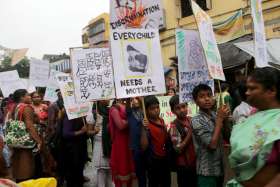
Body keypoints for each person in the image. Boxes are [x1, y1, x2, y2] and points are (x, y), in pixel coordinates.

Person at [227, 67, 280, 187]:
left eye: (252, 88)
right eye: (247, 88)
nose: (247, 93)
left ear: (271, 90)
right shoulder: (251, 117)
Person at [191, 84, 230, 187]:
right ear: (196, 101)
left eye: (209, 95)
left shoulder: (215, 114)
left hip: (220, 169)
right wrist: (219, 120)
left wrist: (225, 120)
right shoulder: (196, 120)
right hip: (206, 172)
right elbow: (212, 145)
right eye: (202, 96)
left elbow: (228, 137)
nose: (207, 99)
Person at [10, 89, 42, 182]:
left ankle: (20, 182)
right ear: (22, 97)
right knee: (27, 163)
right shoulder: (26, 107)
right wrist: (38, 141)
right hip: (26, 141)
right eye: (28, 95)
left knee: (18, 162)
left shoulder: (14, 107)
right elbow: (29, 126)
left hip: (15, 140)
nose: (30, 97)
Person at [169, 95, 196, 187]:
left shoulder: (192, 120)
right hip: (184, 166)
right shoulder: (173, 126)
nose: (182, 110)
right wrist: (190, 133)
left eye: (184, 106)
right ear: (173, 111)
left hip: (196, 163)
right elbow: (178, 149)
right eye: (178, 108)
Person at [144, 96, 171, 187]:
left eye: (157, 107)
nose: (156, 110)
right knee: (154, 182)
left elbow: (165, 137)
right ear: (146, 110)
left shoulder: (161, 121)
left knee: (166, 182)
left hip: (165, 158)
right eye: (152, 108)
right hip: (153, 161)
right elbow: (143, 146)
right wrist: (143, 129)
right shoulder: (146, 125)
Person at [109, 99, 136, 187]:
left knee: (130, 168)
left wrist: (126, 122)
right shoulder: (114, 108)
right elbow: (120, 125)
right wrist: (130, 121)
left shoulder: (130, 105)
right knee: (122, 168)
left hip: (130, 141)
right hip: (120, 144)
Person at [87, 101, 114, 187]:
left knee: (111, 170)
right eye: (105, 97)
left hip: (111, 144)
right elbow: (88, 132)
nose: (108, 99)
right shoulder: (93, 114)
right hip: (99, 145)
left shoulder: (112, 111)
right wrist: (94, 131)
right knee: (101, 172)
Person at [126, 97, 148, 187]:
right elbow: (127, 104)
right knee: (140, 171)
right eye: (132, 99)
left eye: (136, 99)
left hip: (147, 144)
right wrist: (128, 99)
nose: (134, 101)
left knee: (148, 169)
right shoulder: (129, 112)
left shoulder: (145, 111)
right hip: (135, 147)